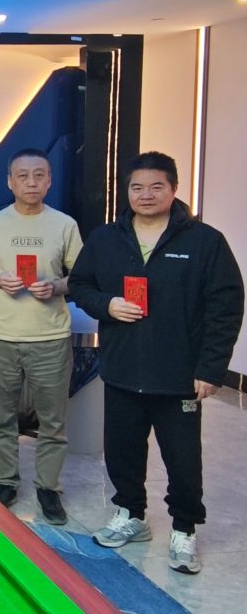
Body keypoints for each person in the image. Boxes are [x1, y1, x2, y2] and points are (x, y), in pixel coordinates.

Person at [69, 152, 243, 574]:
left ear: (174, 189)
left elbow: (225, 306)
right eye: (137, 187)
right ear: (127, 192)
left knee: (182, 460)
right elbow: (80, 284)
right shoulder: (107, 238)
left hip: (178, 375)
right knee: (122, 451)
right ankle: (131, 514)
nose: (145, 195)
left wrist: (210, 369)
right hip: (122, 369)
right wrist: (106, 304)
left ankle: (184, 529)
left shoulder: (204, 242)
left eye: (156, 187)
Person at [0, 148, 82, 525]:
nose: (31, 182)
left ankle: (48, 488)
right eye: (23, 176)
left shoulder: (64, 225)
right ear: (10, 182)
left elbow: (81, 277)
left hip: (50, 338)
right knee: (2, 418)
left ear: (49, 181)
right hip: (1, 337)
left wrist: (57, 286)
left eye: (39, 175)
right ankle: (5, 482)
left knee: (53, 421)